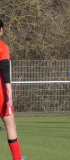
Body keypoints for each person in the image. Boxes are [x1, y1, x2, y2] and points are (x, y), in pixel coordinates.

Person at [0, 19, 24, 159]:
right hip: (1, 94)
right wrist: (9, 91)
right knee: (10, 126)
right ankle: (17, 158)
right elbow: (4, 68)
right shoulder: (2, 46)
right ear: (1, 30)